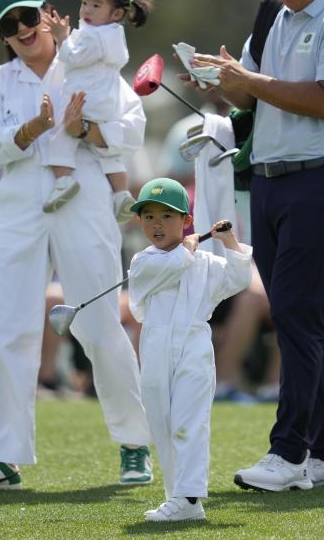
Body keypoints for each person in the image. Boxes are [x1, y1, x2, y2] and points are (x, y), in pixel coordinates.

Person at [193, 0, 324, 491]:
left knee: (295, 313)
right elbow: (250, 91)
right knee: (297, 316)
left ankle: (289, 453)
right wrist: (223, 80)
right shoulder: (272, 15)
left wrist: (250, 79)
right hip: (269, 183)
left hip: (323, 182)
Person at [0, 0, 152, 492]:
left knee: (97, 321)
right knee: (5, 326)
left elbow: (132, 128)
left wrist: (84, 130)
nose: (21, 29)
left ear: (47, 13)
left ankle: (135, 443)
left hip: (82, 199)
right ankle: (2, 457)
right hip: (20, 207)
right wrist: (32, 130)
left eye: (27, 16)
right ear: (2, 35)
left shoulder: (87, 60)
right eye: (9, 24)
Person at [127, 178, 251, 521]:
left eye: (167, 216)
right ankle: (179, 498)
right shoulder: (142, 262)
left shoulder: (203, 262)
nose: (157, 224)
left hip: (194, 349)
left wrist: (229, 242)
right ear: (140, 222)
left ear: (185, 221)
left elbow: (239, 279)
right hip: (154, 349)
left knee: (188, 422)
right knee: (162, 424)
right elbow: (169, 267)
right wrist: (190, 247)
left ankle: (189, 496)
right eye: (149, 217)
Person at [39, 0, 152, 221]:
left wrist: (61, 37)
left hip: (85, 99)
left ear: (117, 14)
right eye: (85, 3)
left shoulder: (94, 35)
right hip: (105, 102)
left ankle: (63, 180)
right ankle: (122, 193)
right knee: (108, 154)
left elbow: (73, 57)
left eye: (96, 5)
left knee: (61, 136)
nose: (87, 10)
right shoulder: (112, 34)